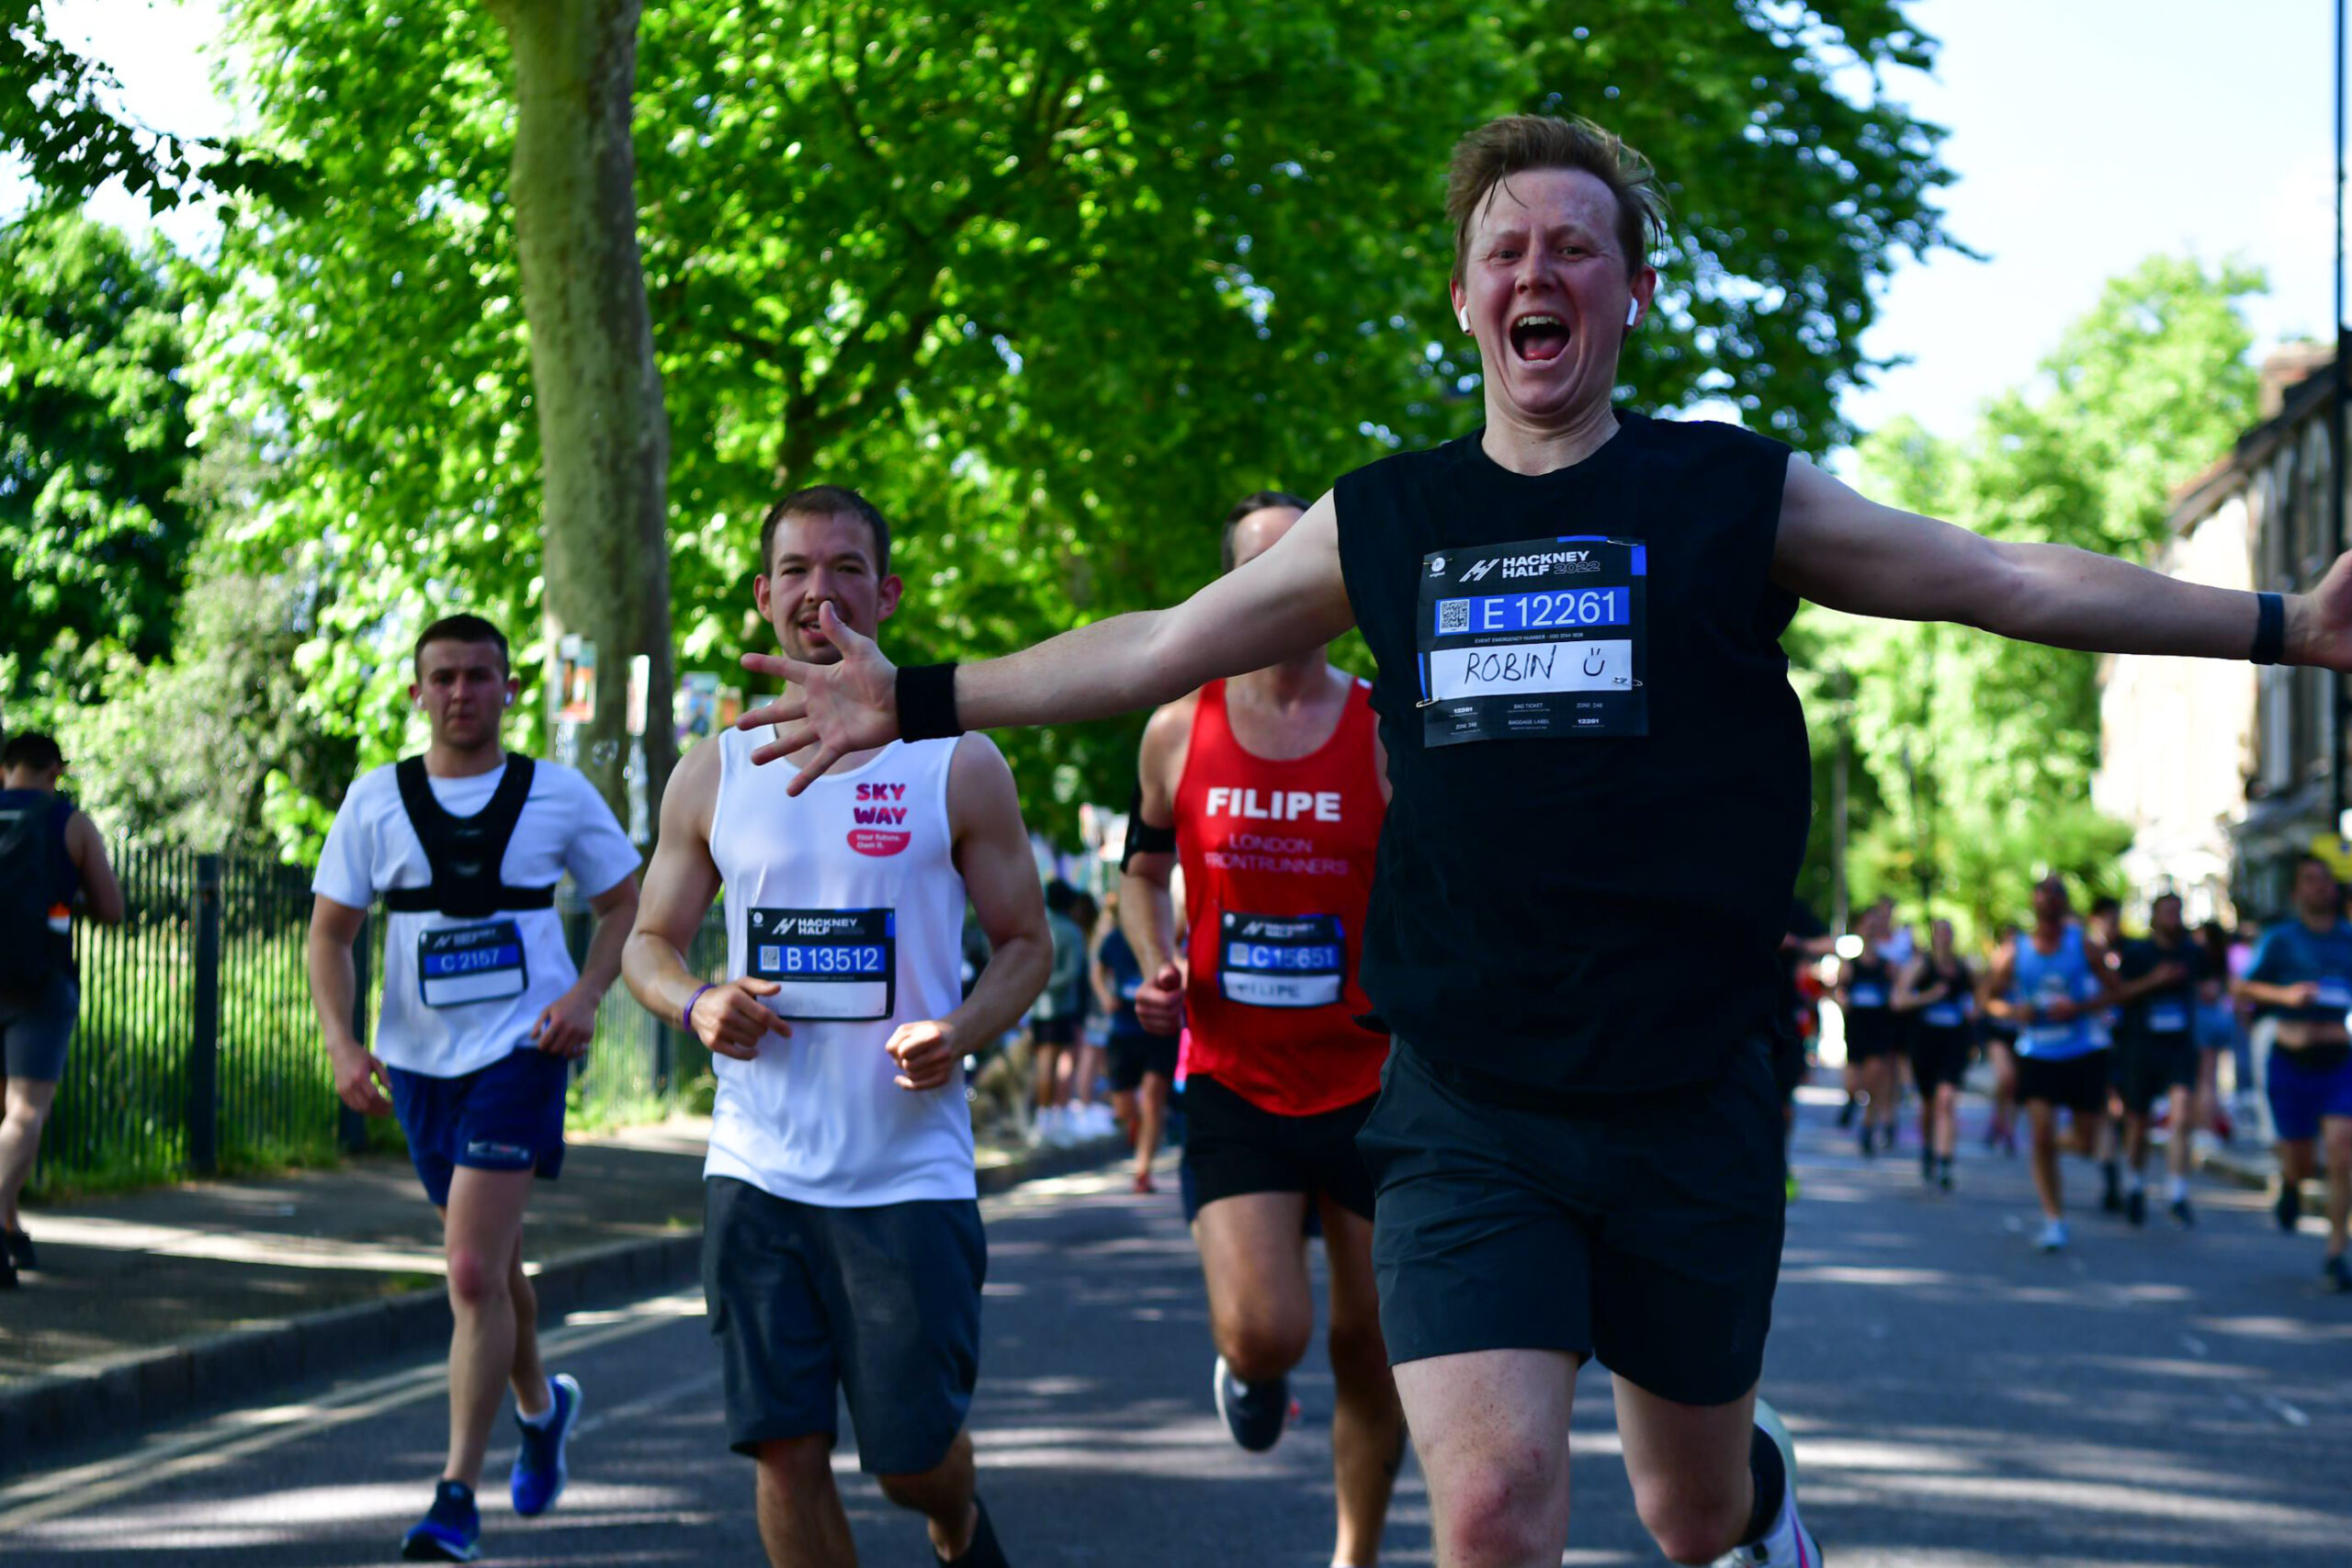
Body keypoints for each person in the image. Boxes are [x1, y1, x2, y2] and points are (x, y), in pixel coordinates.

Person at [735, 112, 2352, 1568]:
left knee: (1688, 1513)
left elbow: (2002, 575)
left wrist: (2285, 621)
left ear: (1631, 293)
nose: (1538, 270)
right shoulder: (1386, 524)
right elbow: (1161, 642)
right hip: (1468, 1101)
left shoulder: (1732, 492)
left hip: (1687, 1091)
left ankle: (1760, 1503)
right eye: (1505, 246)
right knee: (1498, 1516)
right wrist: (923, 694)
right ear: (1463, 298)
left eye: (1576, 245)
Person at [622, 485, 1047, 1567]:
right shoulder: (713, 770)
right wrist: (694, 1000)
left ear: (886, 593)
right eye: (797, 571)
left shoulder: (956, 759)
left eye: (846, 569)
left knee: (908, 1460)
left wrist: (959, 1029)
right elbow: (646, 943)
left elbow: (1025, 945)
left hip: (907, 1175)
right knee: (784, 1451)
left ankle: (955, 1518)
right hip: (758, 1168)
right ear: (763, 597)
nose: (820, 592)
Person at [308, 615, 642, 1562]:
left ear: (508, 688)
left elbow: (627, 905)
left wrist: (586, 994)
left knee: (465, 1272)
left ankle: (455, 1495)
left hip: (523, 1055)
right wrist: (343, 1046)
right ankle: (542, 1409)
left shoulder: (559, 795)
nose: (461, 693)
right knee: (489, 1269)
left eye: (480, 676)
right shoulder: (376, 801)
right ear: (417, 692)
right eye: (443, 677)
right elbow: (329, 934)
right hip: (417, 1064)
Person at [1115, 491, 1405, 1566]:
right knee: (1269, 1331)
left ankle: (1354, 1552)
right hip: (1234, 1076)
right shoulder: (1174, 731)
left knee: (1372, 1344)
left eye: (1308, 572)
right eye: (1261, 573)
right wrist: (1153, 957)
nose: (1286, 595)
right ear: (1228, 591)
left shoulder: (1386, 727)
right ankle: (1248, 1370)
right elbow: (1142, 876)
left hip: (1375, 1082)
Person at [0, 733, 125, 1289]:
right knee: (24, 1115)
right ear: (56, 769)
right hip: (40, 985)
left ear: (6, 768)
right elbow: (112, 908)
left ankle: (8, 1223)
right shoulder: (70, 822)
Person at [2232, 853, 2352, 1292]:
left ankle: (2337, 1251)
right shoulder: (2281, 939)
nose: (2322, 887)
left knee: (2342, 1152)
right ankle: (2289, 1182)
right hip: (2290, 1060)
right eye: (2311, 880)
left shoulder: (2348, 938)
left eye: (2327, 880)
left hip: (2339, 1061)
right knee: (2302, 1162)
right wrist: (2284, 995)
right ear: (2296, 891)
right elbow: (2240, 986)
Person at [1985, 877, 2121, 1254]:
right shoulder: (2016, 951)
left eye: (2055, 896)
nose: (2048, 904)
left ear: (2064, 904)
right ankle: (2054, 1219)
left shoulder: (2084, 945)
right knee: (2041, 1135)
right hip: (2038, 1052)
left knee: (2086, 1142)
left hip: (2082, 1051)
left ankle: (2056, 1151)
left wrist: (2077, 1008)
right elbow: (1989, 1000)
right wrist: (2015, 1010)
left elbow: (2117, 990)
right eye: (2042, 896)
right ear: (2033, 904)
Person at [2111, 893, 2203, 1227]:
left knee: (2181, 1116)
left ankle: (2177, 1191)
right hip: (2141, 1048)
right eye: (2167, 911)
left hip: (2179, 1046)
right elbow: (2118, 993)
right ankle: (2135, 1184)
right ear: (2154, 916)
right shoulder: (2138, 953)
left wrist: (2209, 991)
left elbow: (2211, 984)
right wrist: (2155, 981)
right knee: (2139, 1122)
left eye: (2178, 911)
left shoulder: (2192, 953)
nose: (2173, 917)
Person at [1092, 889, 1177, 1192]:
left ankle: (1143, 1171)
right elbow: (1098, 970)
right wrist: (1104, 996)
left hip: (1159, 1032)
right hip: (1124, 1030)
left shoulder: (1162, 934)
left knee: (1153, 1099)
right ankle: (1136, 1124)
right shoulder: (1114, 940)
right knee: (1125, 1107)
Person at [1893, 919, 1973, 1191]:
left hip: (1953, 1043)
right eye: (1940, 934)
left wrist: (1974, 1011)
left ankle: (1946, 1161)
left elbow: (1980, 999)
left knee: (1946, 1099)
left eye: (1948, 934)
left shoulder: (1964, 968)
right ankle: (1928, 1150)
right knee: (1928, 1105)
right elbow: (1899, 1001)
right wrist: (1929, 996)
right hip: (1925, 1043)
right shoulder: (1920, 966)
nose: (1944, 939)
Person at [1835, 904, 1903, 1158]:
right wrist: (1842, 1000)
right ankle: (1851, 1102)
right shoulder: (1850, 965)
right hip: (1856, 1029)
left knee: (1875, 1080)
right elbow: (1838, 990)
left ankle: (1867, 1127)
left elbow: (1897, 993)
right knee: (1854, 1084)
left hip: (1879, 1029)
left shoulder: (1888, 967)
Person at [1028, 882, 1088, 1146]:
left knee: (1045, 1061)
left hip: (1038, 1005)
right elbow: (1073, 971)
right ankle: (1052, 1120)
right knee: (1059, 1061)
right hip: (1061, 1007)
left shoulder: (1036, 926)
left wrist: (1036, 984)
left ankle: (1044, 1120)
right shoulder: (1070, 931)